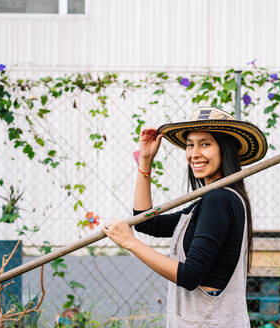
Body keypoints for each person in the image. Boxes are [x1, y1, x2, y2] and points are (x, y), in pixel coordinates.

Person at [102, 107, 267, 327]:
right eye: (190, 145)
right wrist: (146, 161)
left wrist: (130, 243)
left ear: (225, 149)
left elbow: (190, 275)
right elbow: (146, 222)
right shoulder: (211, 202)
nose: (194, 153)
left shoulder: (219, 199)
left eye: (205, 144)